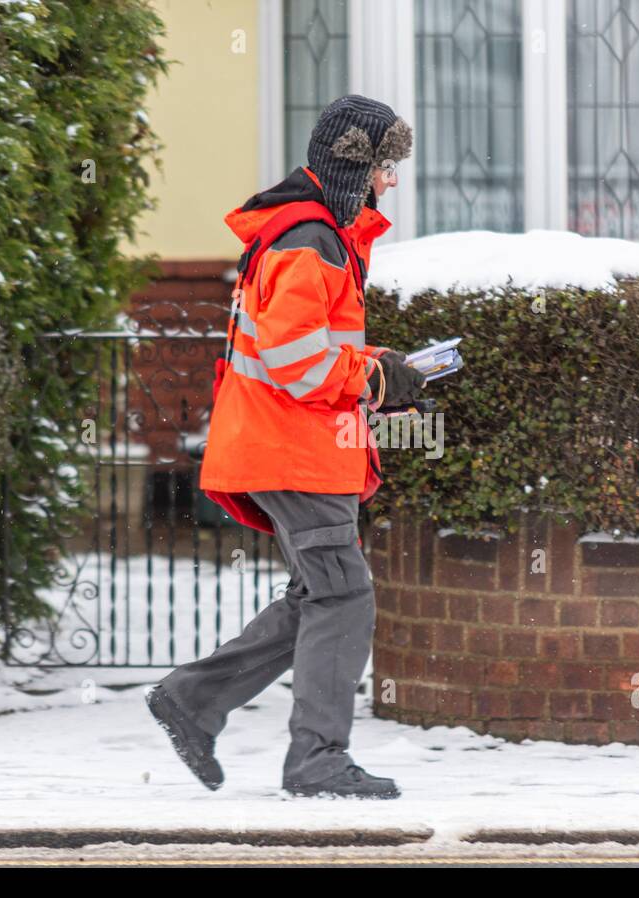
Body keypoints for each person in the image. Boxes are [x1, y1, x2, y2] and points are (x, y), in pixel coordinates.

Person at [146, 95, 425, 799]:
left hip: (285, 445)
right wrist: (373, 378)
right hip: (294, 449)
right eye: (385, 168)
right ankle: (317, 760)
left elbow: (303, 346)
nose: (389, 184)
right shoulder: (311, 241)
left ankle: (194, 699)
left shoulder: (312, 235)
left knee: (318, 593)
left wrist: (387, 366)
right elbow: (300, 365)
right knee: (345, 594)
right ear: (352, 167)